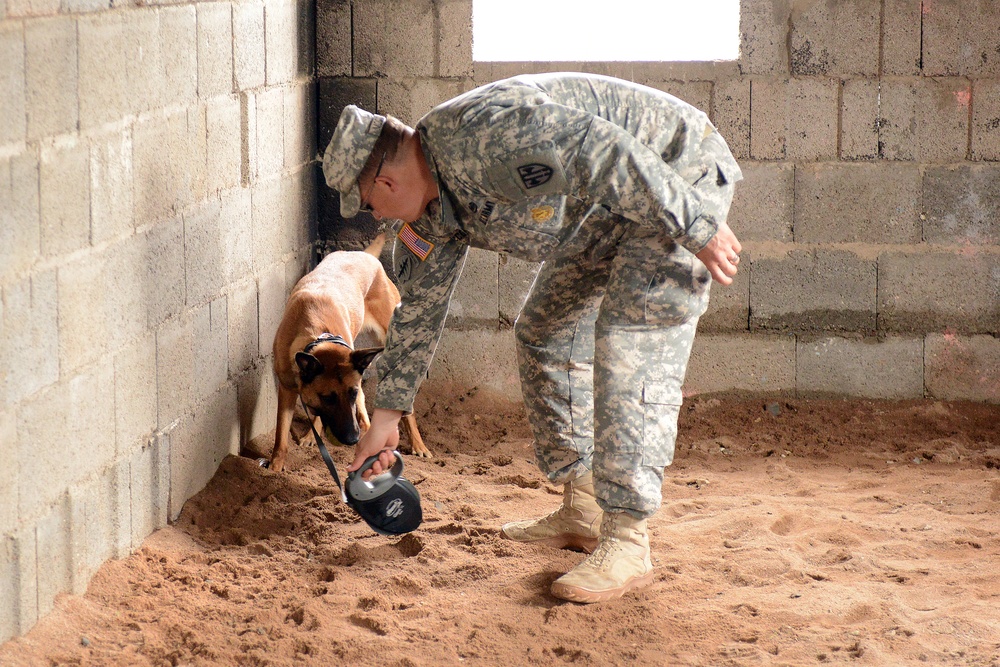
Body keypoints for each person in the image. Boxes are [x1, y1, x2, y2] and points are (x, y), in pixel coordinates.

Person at [321, 72, 743, 603]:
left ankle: (629, 539)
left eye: (368, 203)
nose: (375, 216)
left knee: (627, 342)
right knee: (545, 331)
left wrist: (695, 225)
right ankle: (586, 505)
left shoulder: (485, 133)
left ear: (383, 184)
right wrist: (386, 416)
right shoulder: (427, 213)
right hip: (605, 210)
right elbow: (419, 311)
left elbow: (606, 150)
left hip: (674, 173)